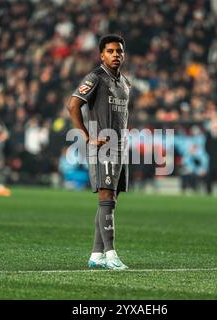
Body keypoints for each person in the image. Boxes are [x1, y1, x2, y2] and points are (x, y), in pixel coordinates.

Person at [67, 34, 131, 270]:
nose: (116, 55)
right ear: (102, 55)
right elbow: (73, 104)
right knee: (106, 199)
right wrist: (86, 137)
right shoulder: (95, 77)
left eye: (119, 51)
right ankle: (112, 255)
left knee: (110, 202)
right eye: (111, 51)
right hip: (103, 147)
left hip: (120, 147)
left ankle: (96, 254)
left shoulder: (125, 83)